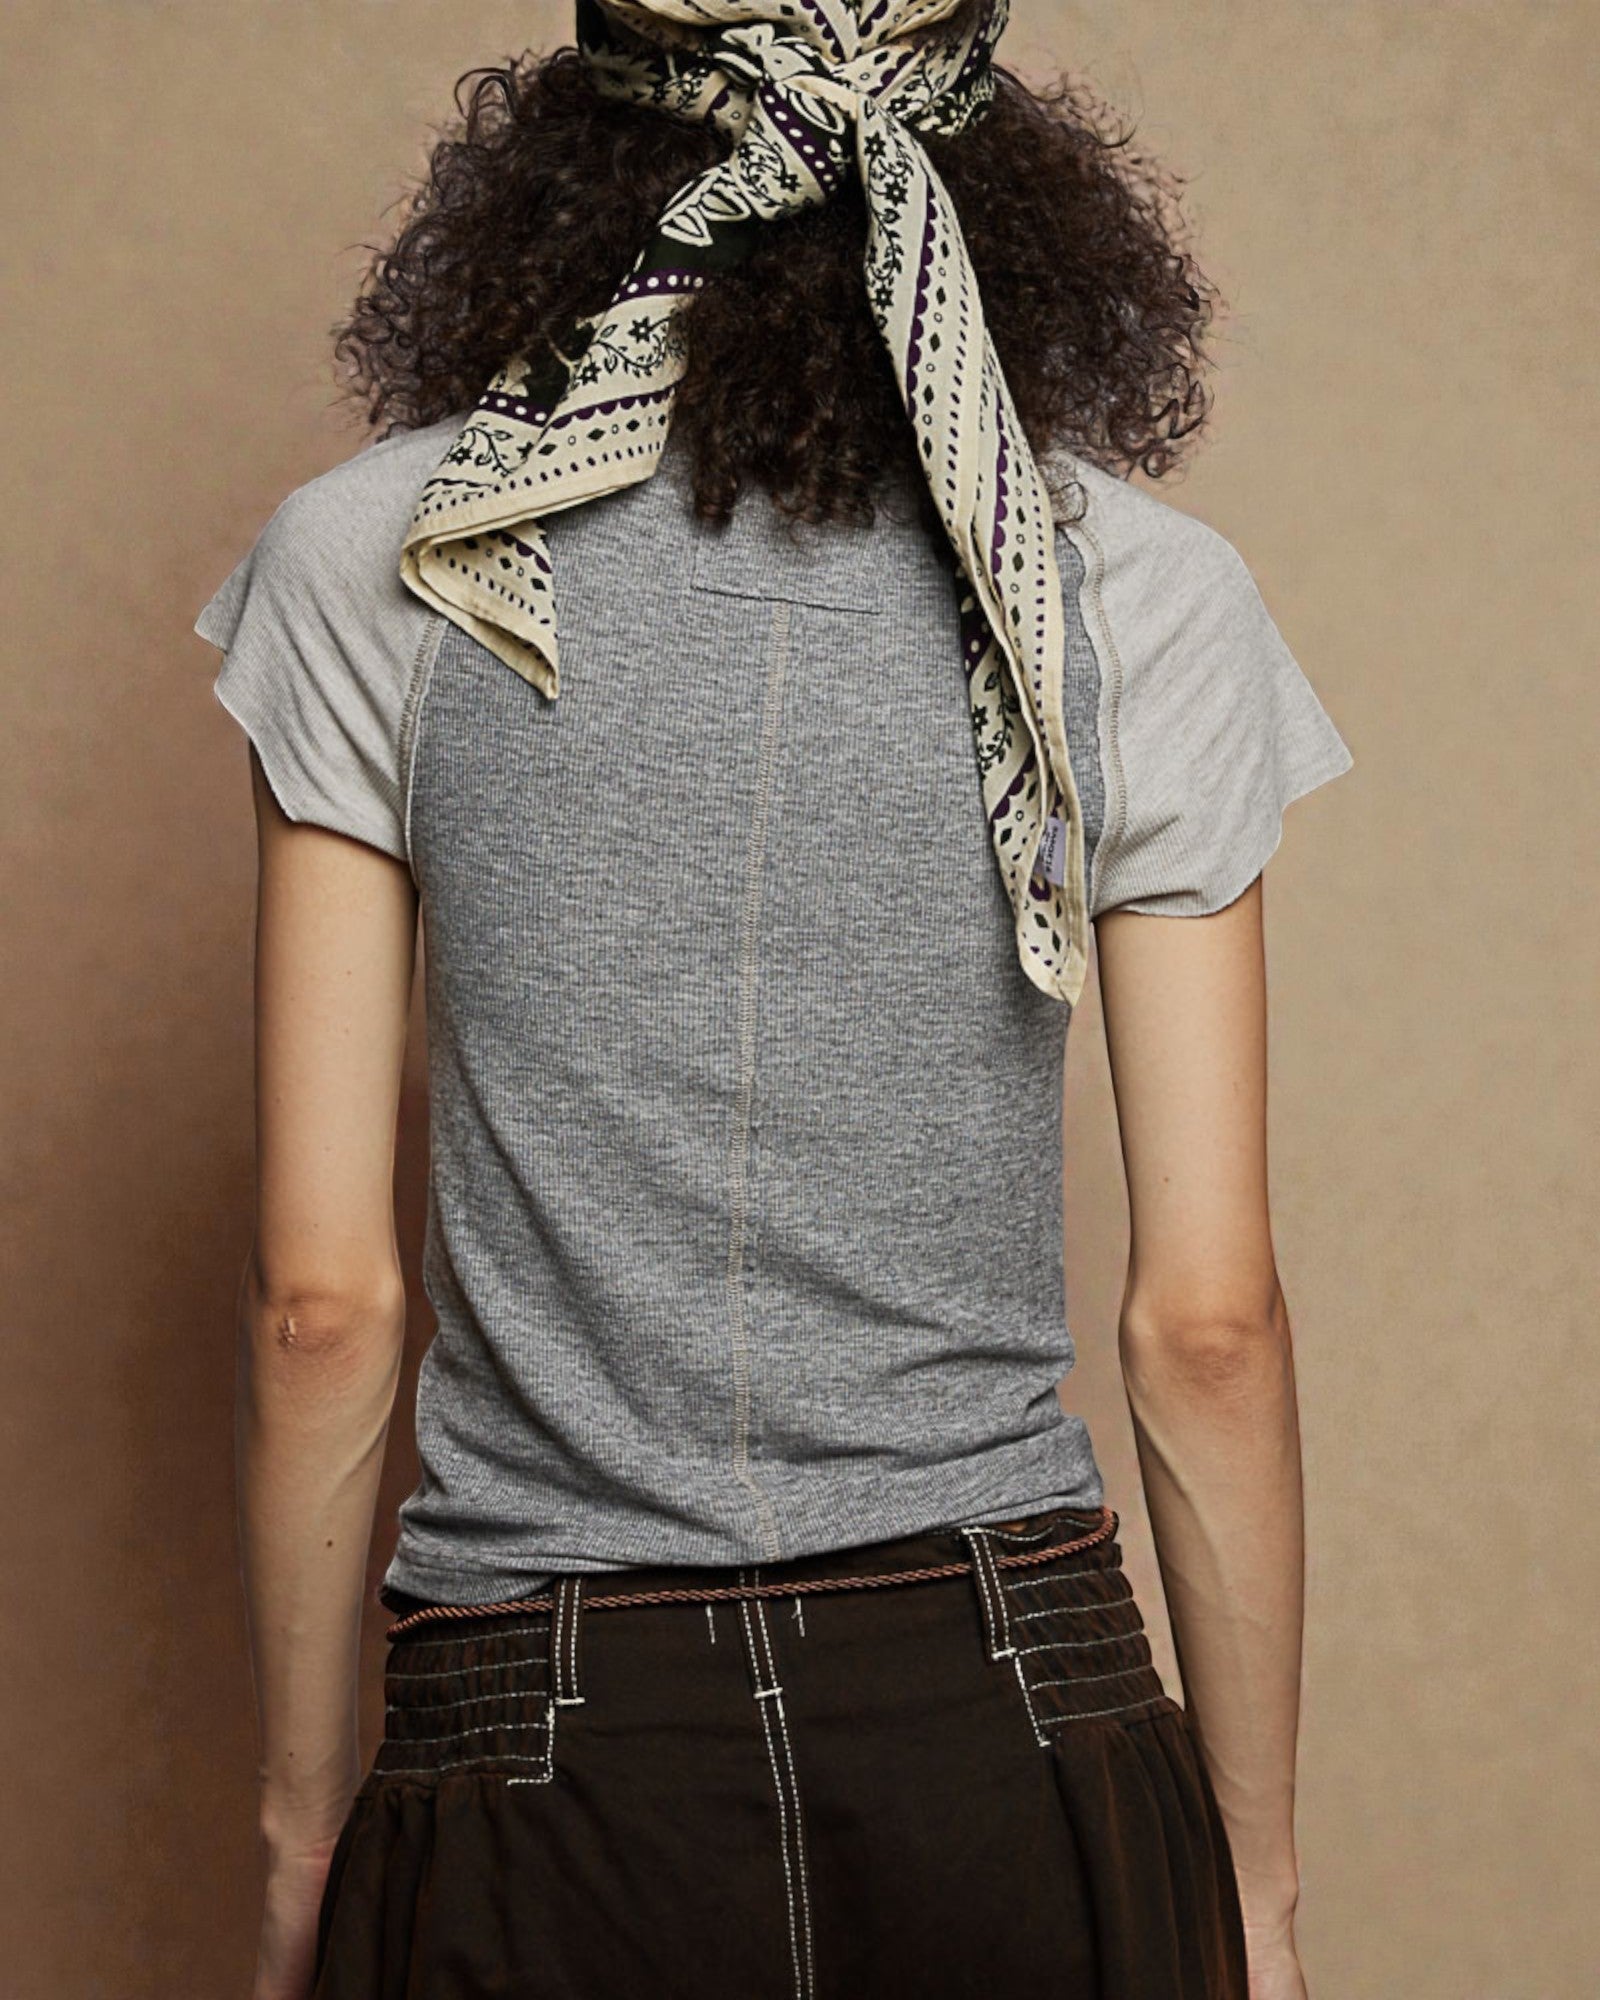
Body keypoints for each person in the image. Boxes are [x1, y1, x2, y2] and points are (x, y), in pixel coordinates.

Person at [194, 2, 1353, 1995]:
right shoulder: (1134, 588)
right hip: (1014, 1716)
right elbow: (1207, 1323)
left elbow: (323, 1303)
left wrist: (306, 1834)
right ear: (999, 177)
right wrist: (1250, 1878)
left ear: (565, 158)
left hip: (533, 1744)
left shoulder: (377, 561)